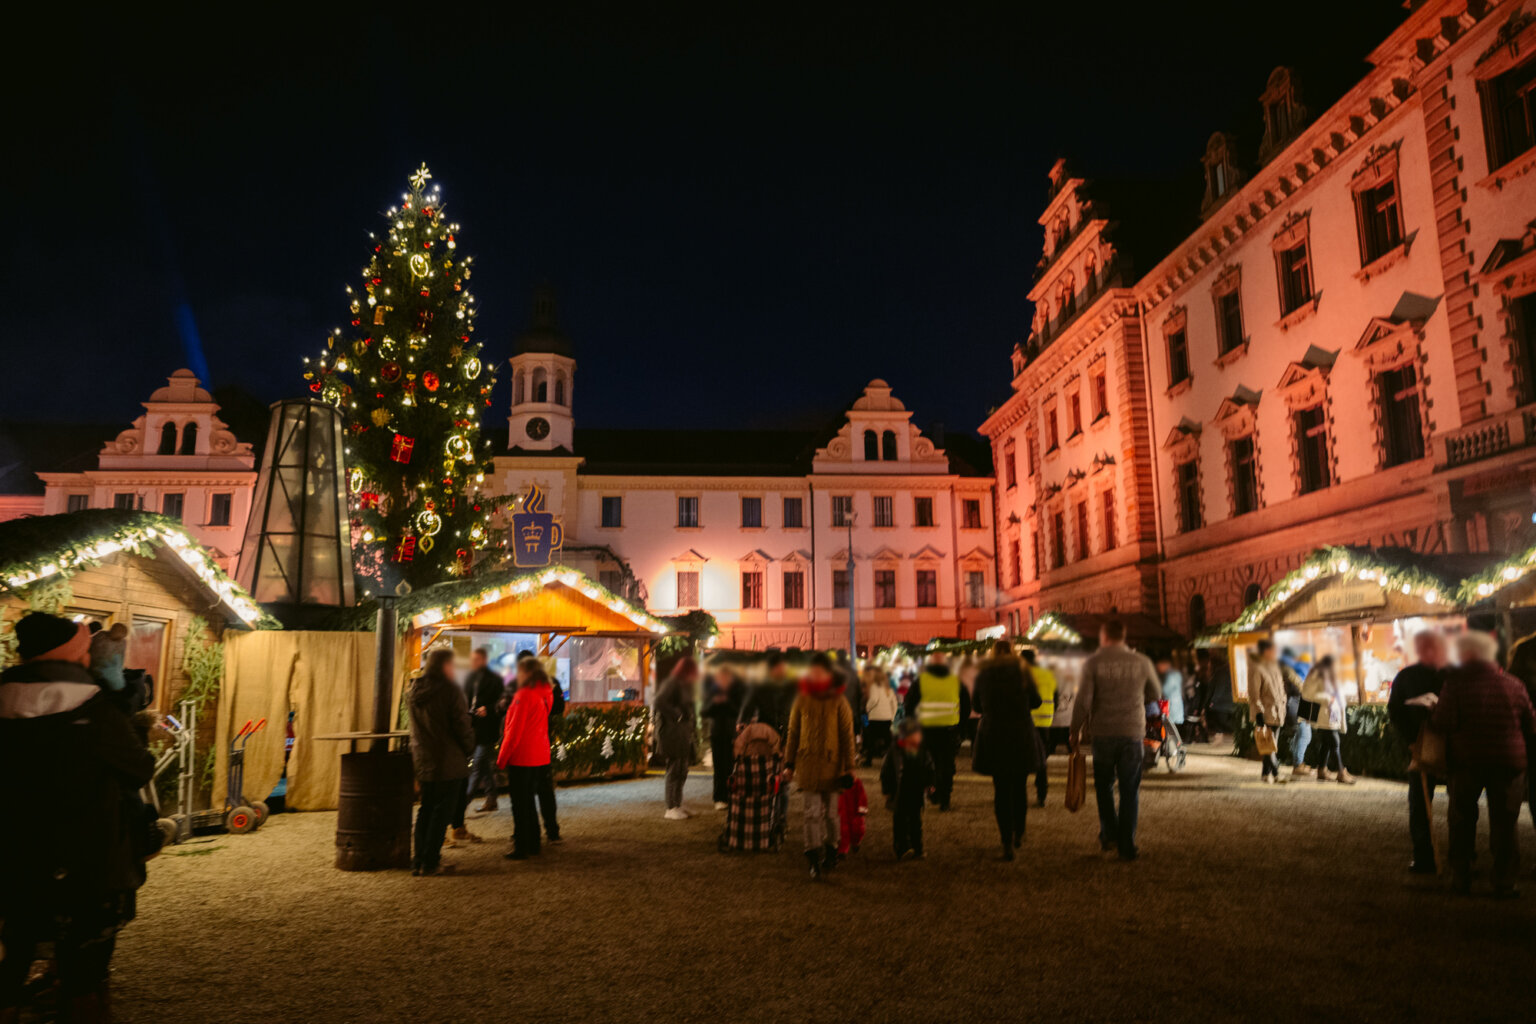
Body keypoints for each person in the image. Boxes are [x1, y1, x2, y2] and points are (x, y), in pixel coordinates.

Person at [0, 612, 156, 1022]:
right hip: (88, 860)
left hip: (15, 857)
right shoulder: (95, 707)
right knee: (83, 970)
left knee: (13, 957)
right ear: (73, 656)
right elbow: (138, 769)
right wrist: (131, 719)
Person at [1431, 631, 1534, 898]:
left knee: (1462, 817)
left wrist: (1433, 710)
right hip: (1509, 762)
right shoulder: (1514, 685)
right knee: (1505, 822)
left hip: (1468, 761)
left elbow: (1442, 723)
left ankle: (1461, 876)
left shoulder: (1456, 686)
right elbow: (1531, 723)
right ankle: (1504, 881)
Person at [1071, 620, 1161, 861]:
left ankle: (1109, 834)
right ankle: (1127, 844)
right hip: (1132, 731)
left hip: (1103, 732)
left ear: (1104, 637)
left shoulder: (1093, 663)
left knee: (1104, 786)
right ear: (1123, 636)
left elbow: (1083, 701)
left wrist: (1074, 730)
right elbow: (1155, 693)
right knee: (1130, 789)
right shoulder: (1141, 662)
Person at [784, 652, 856, 880]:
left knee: (831, 814)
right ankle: (813, 856)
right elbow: (793, 733)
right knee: (811, 814)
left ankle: (832, 850)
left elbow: (847, 735)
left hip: (832, 765)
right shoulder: (801, 699)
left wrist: (850, 766)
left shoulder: (839, 701)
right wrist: (789, 763)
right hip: (807, 764)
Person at [406, 648, 474, 876]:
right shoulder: (450, 691)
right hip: (448, 761)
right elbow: (461, 725)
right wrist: (469, 748)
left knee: (426, 809)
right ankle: (431, 861)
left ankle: (419, 860)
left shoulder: (414, 689)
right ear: (445, 666)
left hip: (424, 759)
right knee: (441, 813)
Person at [972, 640, 1041, 860]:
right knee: (1020, 787)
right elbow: (1037, 701)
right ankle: (1019, 832)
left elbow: (975, 705)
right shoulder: (1022, 670)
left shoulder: (985, 673)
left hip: (995, 734)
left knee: (1001, 789)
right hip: (1020, 731)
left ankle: (1005, 841)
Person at [1387, 631, 1448, 874]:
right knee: (1424, 801)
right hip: (1426, 745)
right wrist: (1410, 741)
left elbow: (1395, 712)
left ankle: (1428, 856)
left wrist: (1409, 740)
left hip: (1425, 744)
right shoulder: (1447, 675)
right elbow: (1396, 712)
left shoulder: (1410, 675)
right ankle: (1431, 855)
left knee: (1422, 802)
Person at [498, 660, 555, 860]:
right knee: (529, 801)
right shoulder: (543, 694)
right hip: (539, 755)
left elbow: (513, 732)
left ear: (527, 674)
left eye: (519, 671)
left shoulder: (523, 696)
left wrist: (502, 758)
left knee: (520, 804)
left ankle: (522, 845)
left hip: (523, 757)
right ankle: (534, 842)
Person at [903, 650, 970, 810]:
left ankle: (932, 792)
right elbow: (967, 705)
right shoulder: (955, 681)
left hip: (927, 730)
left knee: (928, 763)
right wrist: (961, 726)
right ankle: (945, 799)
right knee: (946, 765)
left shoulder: (922, 681)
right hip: (949, 730)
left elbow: (909, 704)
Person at [515, 654, 566, 844]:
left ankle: (546, 831)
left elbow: (558, 707)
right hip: (539, 744)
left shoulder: (544, 684)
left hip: (534, 745)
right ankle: (539, 831)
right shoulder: (523, 684)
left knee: (535, 791)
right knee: (536, 791)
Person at [881, 719, 935, 861]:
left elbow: (929, 768)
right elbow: (887, 771)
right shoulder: (895, 750)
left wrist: (930, 784)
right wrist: (886, 789)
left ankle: (917, 848)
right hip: (900, 791)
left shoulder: (922, 750)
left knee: (915, 822)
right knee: (900, 821)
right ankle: (901, 847)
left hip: (915, 790)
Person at [653, 658, 698, 820]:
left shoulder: (682, 684)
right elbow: (659, 701)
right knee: (674, 769)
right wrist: (677, 715)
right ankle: (670, 807)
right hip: (672, 733)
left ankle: (677, 803)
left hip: (681, 733)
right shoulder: (673, 683)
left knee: (681, 770)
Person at [1301, 656, 1355, 785]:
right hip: (1324, 714)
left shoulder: (1333, 675)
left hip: (1333, 714)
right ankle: (1341, 772)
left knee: (1327, 743)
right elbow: (1307, 693)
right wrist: (1327, 698)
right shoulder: (1317, 674)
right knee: (1334, 742)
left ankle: (1322, 770)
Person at [464, 648, 506, 813]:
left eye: (476, 660)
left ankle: (462, 804)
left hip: (488, 729)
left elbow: (503, 704)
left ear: (483, 660)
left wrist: (488, 709)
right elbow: (465, 699)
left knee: (477, 765)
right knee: (483, 767)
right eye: (472, 660)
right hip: (473, 728)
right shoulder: (470, 678)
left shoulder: (495, 679)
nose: (473, 663)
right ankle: (492, 799)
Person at [703, 661, 746, 811]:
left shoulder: (735, 692)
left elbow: (739, 710)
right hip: (716, 732)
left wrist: (726, 702)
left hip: (730, 732)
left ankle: (730, 795)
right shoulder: (712, 691)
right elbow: (704, 711)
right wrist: (714, 703)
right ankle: (719, 797)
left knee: (730, 766)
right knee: (719, 767)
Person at [1248, 640, 1287, 784]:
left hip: (1278, 710)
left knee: (1271, 745)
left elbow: (1281, 688)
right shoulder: (1257, 668)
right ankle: (1276, 773)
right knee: (1270, 746)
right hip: (1267, 712)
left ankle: (1265, 774)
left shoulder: (1275, 667)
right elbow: (1254, 693)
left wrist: (1284, 702)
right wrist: (1259, 713)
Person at [1024, 649, 1057, 806]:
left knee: (1021, 758)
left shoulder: (1022, 673)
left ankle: (1019, 793)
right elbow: (1055, 696)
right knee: (1042, 758)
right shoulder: (1047, 673)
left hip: (1026, 720)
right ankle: (1042, 793)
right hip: (1045, 720)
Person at [1280, 649, 1312, 777]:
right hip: (1296, 704)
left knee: (1301, 735)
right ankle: (1298, 764)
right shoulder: (1291, 673)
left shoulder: (1291, 671)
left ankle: (1298, 764)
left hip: (1297, 704)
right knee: (1305, 734)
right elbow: (1299, 689)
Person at [861, 665, 897, 764]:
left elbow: (874, 699)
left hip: (876, 717)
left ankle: (868, 761)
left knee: (871, 740)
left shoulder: (874, 687)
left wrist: (867, 708)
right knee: (888, 740)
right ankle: (893, 760)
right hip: (887, 718)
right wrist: (892, 716)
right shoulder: (888, 689)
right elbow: (894, 704)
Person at [87, 621, 129, 693]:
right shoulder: (122, 642)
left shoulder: (101, 635)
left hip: (95, 675)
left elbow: (89, 648)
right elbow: (121, 661)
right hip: (111, 680)